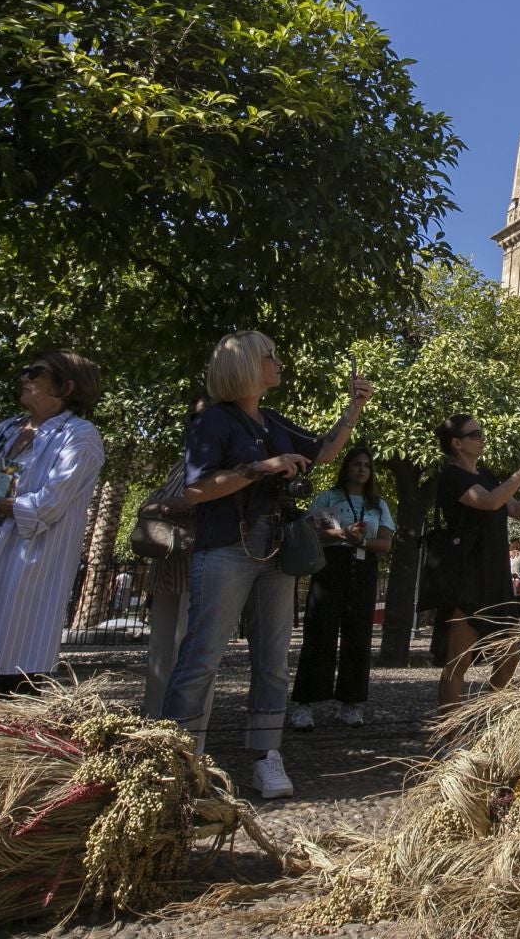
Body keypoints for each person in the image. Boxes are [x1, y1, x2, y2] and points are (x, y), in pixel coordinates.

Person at [160, 331, 370, 800]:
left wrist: (354, 408)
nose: (279, 362)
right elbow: (195, 490)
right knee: (203, 656)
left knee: (274, 660)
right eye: (270, 356)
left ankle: (266, 755)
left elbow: (325, 451)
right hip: (225, 547)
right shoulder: (212, 421)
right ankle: (174, 761)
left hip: (275, 549)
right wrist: (261, 468)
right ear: (245, 367)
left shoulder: (270, 419)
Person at [0, 351, 107, 695]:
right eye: (24, 371)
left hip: (29, 572)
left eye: (36, 372)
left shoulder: (79, 435)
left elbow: (48, 505)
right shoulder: (4, 430)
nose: (25, 378)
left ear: (66, 387)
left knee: (14, 677)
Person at [430, 415, 520, 709]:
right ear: (457, 443)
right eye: (475, 434)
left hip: (495, 577)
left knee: (509, 657)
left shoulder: (486, 475)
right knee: (459, 662)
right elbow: (489, 502)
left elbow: (517, 510)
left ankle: (486, 719)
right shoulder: (452, 477)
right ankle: (449, 734)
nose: (482, 439)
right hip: (467, 577)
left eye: (481, 433)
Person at [290, 448, 394, 730]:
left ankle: (351, 703)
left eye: (366, 466)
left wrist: (361, 542)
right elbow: (312, 532)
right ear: (346, 467)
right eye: (356, 464)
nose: (361, 469)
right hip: (331, 566)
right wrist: (342, 534)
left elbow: (385, 543)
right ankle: (304, 703)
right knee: (320, 633)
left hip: (363, 567)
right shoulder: (329, 498)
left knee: (358, 636)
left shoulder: (377, 504)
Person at [141, 394, 205, 720]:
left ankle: (186, 737)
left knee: (192, 652)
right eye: (194, 419)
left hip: (200, 563)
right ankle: (153, 725)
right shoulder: (181, 464)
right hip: (166, 565)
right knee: (160, 653)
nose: (199, 425)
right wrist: (168, 505)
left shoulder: (222, 461)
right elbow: (148, 504)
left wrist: (178, 505)